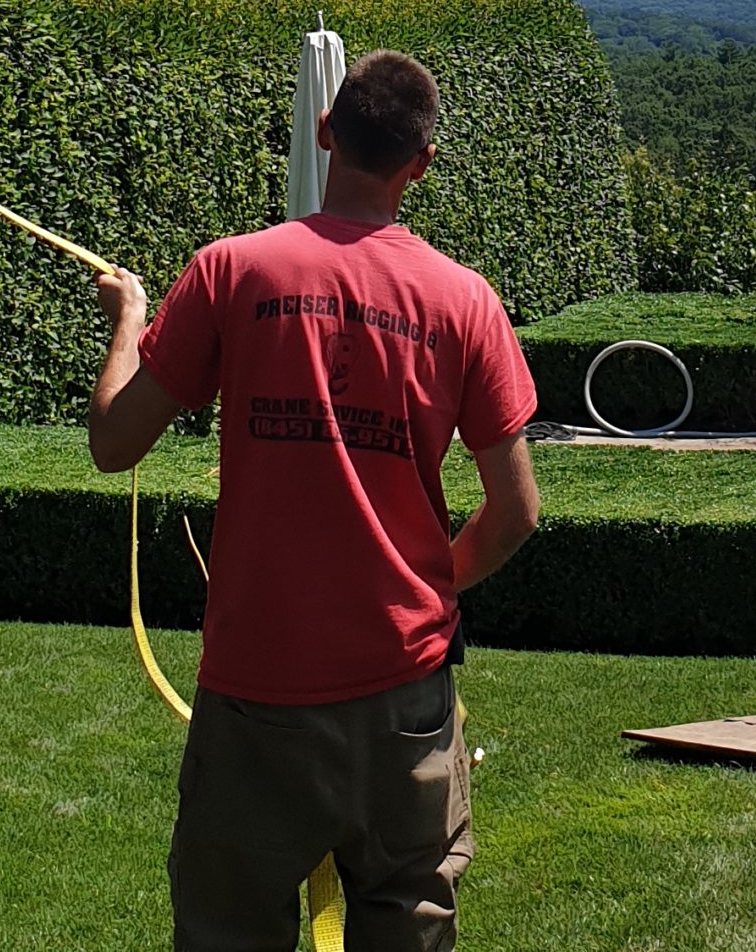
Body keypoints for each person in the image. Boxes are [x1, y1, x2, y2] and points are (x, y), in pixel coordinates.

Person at [88, 48, 541, 952]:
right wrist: (428, 582)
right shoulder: (465, 302)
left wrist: (130, 321)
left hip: (257, 692)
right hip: (405, 696)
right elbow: (517, 511)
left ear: (327, 132)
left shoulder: (229, 272)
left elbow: (113, 442)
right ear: (423, 162)